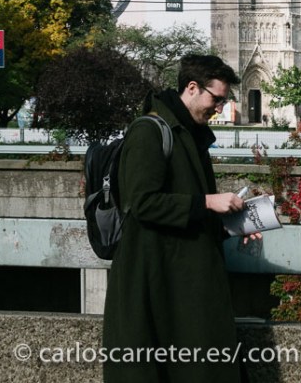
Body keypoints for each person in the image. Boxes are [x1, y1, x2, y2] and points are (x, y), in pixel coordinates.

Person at [102, 53, 252, 382]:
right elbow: (143, 203)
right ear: (193, 88)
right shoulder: (150, 131)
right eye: (217, 99)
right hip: (156, 276)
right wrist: (209, 202)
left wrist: (235, 224)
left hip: (181, 276)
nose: (220, 109)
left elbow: (189, 206)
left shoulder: (188, 132)